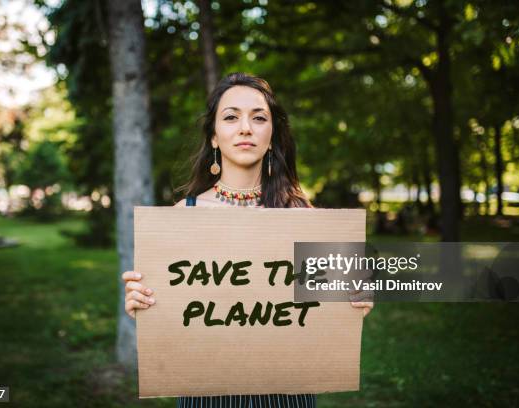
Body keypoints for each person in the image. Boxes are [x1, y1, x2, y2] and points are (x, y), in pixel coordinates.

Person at [122, 72, 373, 408]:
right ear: (213, 137)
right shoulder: (184, 214)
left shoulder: (301, 214)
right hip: (206, 393)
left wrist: (353, 299)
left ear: (272, 136)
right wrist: (144, 303)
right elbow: (173, 310)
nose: (245, 128)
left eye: (258, 118)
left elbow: (326, 303)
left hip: (286, 393)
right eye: (230, 117)